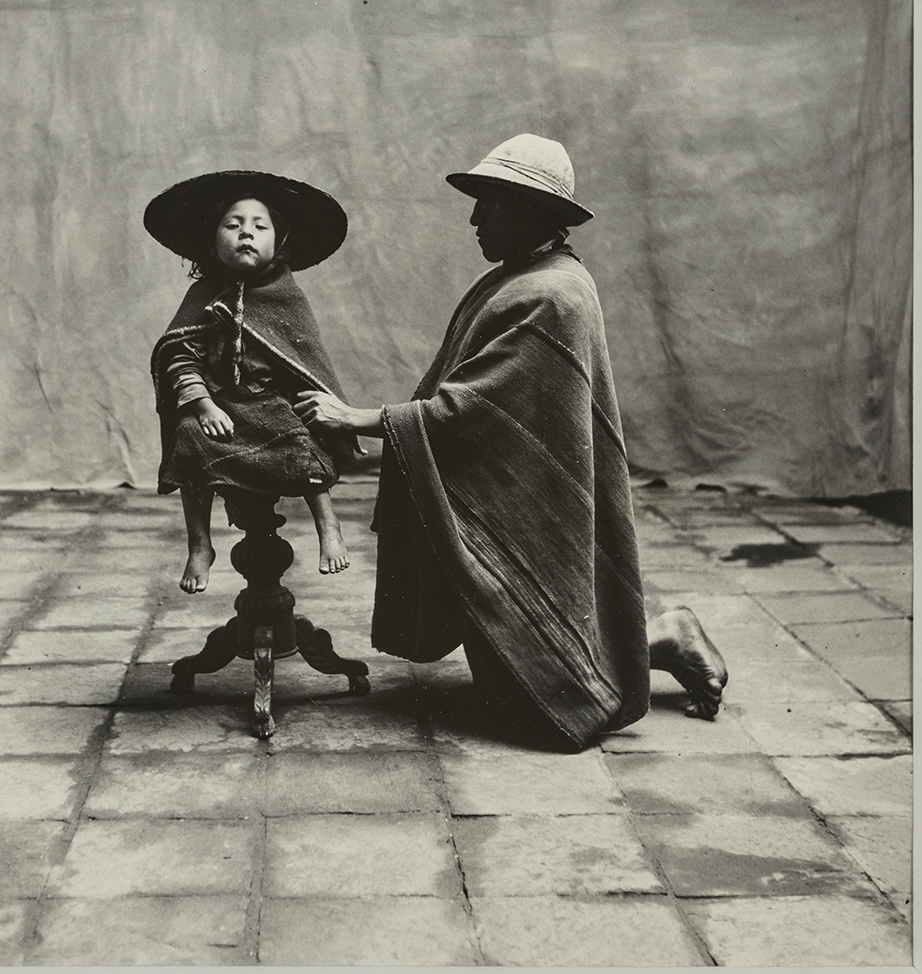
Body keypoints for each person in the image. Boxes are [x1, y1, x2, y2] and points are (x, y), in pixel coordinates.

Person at [294, 134, 727, 750]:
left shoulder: (552, 293)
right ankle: (656, 637)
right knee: (513, 667)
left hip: (528, 500)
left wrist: (355, 418)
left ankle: (667, 634)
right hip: (512, 489)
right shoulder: (522, 279)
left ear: (532, 210)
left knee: (548, 696)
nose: (474, 219)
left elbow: (472, 408)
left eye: (489, 204)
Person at [146, 170, 358, 593]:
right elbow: (179, 359)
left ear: (278, 242)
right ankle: (200, 544)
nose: (247, 233)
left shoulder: (287, 296)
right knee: (189, 438)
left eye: (260, 226)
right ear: (212, 241)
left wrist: (315, 410)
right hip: (220, 408)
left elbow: (305, 367)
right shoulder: (203, 298)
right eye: (233, 224)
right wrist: (204, 405)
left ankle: (327, 524)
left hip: (274, 408)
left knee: (301, 437)